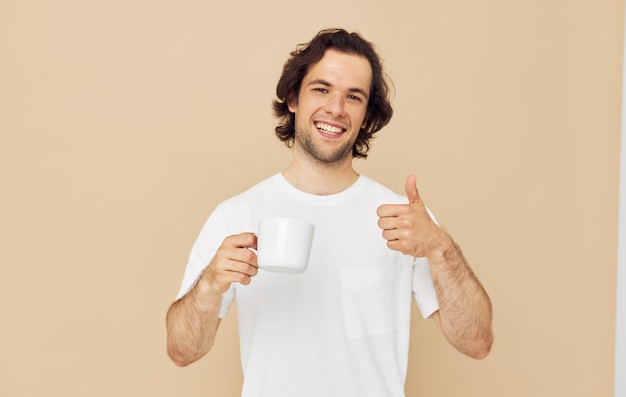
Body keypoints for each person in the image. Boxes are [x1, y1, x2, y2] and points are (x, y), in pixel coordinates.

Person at [166, 28, 493, 397]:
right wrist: (210, 283)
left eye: (353, 96)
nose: (336, 108)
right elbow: (181, 351)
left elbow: (477, 342)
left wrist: (440, 248)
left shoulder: (405, 222)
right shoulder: (236, 215)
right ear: (293, 98)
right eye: (321, 89)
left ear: (367, 116)